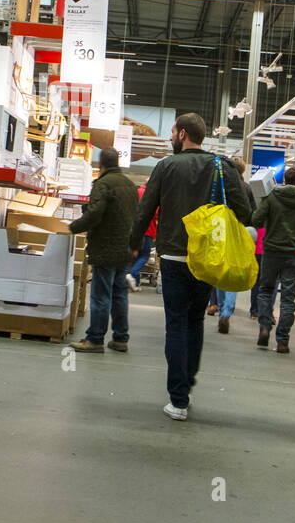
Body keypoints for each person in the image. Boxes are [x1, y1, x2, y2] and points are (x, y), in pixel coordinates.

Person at [132, 113, 253, 421]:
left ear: (182, 134)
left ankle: (178, 398)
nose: (171, 137)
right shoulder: (222, 167)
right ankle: (186, 388)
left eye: (173, 132)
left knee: (175, 323)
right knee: (195, 321)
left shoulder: (166, 166)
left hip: (173, 256)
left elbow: (146, 209)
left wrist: (134, 241)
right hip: (208, 257)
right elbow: (245, 210)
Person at [68, 147, 139, 354]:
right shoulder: (130, 186)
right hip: (124, 249)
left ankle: (95, 339)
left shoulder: (103, 184)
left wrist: (73, 227)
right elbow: (137, 217)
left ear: (101, 165)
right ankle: (120, 338)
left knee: (100, 295)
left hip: (105, 248)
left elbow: (94, 214)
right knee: (119, 294)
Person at [251, 166, 295, 353]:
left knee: (265, 291)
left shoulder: (271, 197)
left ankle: (264, 327)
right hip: (293, 254)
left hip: (271, 252)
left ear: (283, 180)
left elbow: (256, 220)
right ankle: (283, 341)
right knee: (288, 299)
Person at [210, 157, 248, 333]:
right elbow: (250, 213)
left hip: (218, 232)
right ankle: (226, 312)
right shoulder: (245, 188)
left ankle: (220, 309)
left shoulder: (217, 185)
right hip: (237, 235)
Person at [126, 184, 156, 291]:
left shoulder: (136, 192)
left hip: (133, 229)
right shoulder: (152, 194)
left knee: (133, 254)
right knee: (144, 255)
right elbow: (156, 213)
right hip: (148, 230)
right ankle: (132, 274)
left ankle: (134, 282)